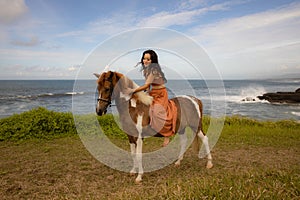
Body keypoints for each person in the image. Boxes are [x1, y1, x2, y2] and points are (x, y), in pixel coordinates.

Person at [129, 49, 177, 147]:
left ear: (152, 61)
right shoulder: (146, 70)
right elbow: (149, 86)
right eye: (144, 58)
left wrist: (133, 90)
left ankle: (167, 135)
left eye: (148, 59)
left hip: (160, 94)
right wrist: (144, 93)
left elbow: (146, 85)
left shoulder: (154, 70)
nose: (145, 61)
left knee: (157, 111)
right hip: (152, 92)